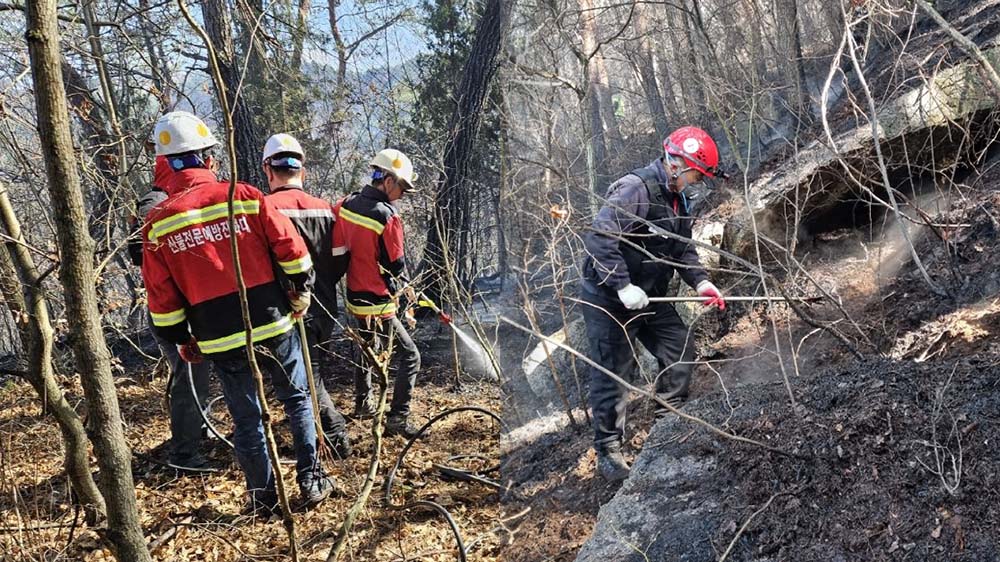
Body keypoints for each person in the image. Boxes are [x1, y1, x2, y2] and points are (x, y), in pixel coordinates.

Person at [141, 111, 332, 514]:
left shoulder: (158, 224)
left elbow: (162, 299)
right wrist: (300, 293)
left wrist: (182, 341)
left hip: (217, 337)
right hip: (274, 321)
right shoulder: (243, 195)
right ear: (209, 160)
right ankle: (311, 480)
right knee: (296, 399)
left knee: (248, 419)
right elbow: (293, 252)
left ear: (164, 165)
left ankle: (262, 500)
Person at [580, 126, 728, 483]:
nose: (696, 182)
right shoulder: (636, 189)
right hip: (609, 298)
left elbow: (683, 249)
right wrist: (622, 286)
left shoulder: (680, 201)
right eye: (695, 174)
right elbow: (599, 240)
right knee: (614, 373)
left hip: (650, 295)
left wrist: (702, 281)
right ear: (677, 163)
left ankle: (668, 426)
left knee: (678, 347)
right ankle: (609, 452)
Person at [261, 132, 351, 459]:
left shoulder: (264, 210)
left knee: (305, 380)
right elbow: (341, 258)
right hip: (325, 307)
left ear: (268, 169)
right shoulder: (326, 210)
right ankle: (321, 434)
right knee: (313, 373)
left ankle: (334, 436)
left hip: (286, 311)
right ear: (303, 170)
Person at [128, 134, 212, 470]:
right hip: (174, 308)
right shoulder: (154, 202)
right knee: (192, 375)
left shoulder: (176, 197)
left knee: (192, 376)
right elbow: (140, 254)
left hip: (192, 303)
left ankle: (194, 437)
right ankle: (185, 455)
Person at [331, 149, 421, 438]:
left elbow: (337, 250)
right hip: (380, 300)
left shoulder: (344, 205)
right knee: (410, 357)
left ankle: (362, 403)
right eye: (403, 187)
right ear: (389, 180)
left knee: (366, 348)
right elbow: (395, 265)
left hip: (354, 296)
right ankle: (397, 419)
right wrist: (403, 291)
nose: (404, 193)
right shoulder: (388, 217)